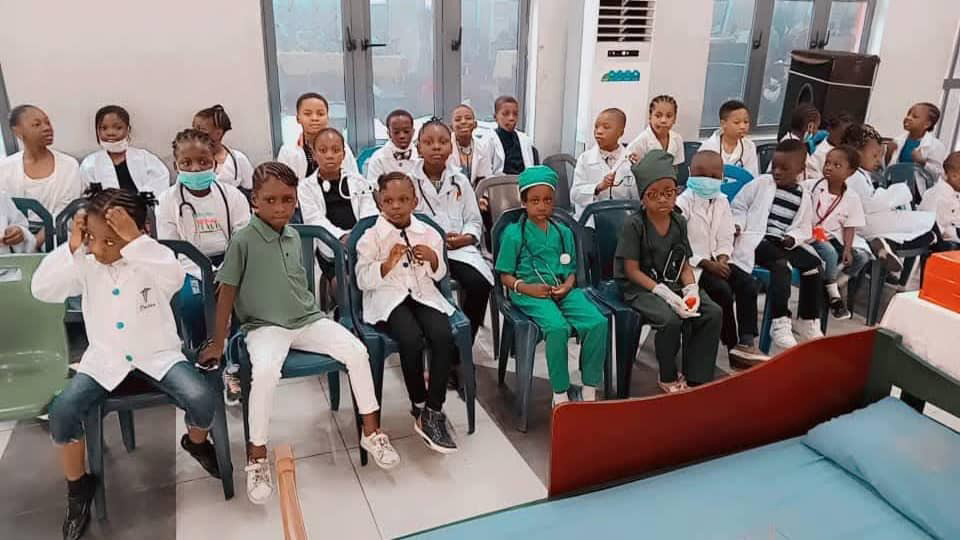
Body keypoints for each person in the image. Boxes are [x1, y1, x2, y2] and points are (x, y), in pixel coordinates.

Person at [200, 162, 399, 504]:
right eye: (270, 200)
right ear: (254, 200)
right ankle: (257, 457)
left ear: (295, 200)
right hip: (265, 326)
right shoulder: (243, 240)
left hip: (307, 320)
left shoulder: (292, 234)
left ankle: (372, 432)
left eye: (287, 200)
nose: (280, 207)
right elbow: (227, 292)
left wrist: (314, 316)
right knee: (265, 374)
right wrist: (218, 341)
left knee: (357, 352)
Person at [32, 187, 220, 540]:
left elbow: (174, 276)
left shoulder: (150, 259)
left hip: (157, 354)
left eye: (112, 241)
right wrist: (73, 247)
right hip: (105, 360)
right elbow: (42, 290)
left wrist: (136, 243)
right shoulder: (86, 264)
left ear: (138, 233)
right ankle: (78, 487)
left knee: (201, 398)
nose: (101, 249)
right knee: (62, 413)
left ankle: (195, 442)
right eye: (95, 239)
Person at [355, 171, 459, 453]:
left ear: (415, 201)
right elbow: (362, 279)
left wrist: (434, 258)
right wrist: (386, 264)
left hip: (423, 293)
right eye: (388, 201)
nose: (396, 206)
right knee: (410, 338)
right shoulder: (371, 237)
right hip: (389, 297)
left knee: (442, 335)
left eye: (403, 199)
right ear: (379, 203)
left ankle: (433, 410)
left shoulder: (428, 233)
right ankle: (419, 402)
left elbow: (439, 274)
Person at [495, 166, 608, 405]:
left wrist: (567, 286)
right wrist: (527, 288)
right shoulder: (514, 234)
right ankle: (560, 392)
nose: (542, 206)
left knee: (598, 322)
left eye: (547, 200)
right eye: (534, 201)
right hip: (527, 292)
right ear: (524, 202)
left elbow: (571, 270)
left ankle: (589, 388)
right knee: (557, 328)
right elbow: (504, 275)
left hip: (561, 289)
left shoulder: (563, 231)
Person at [615, 151, 722, 392]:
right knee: (670, 320)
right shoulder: (634, 225)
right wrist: (663, 293)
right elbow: (631, 271)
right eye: (654, 194)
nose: (662, 200)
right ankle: (667, 375)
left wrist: (691, 289)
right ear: (643, 198)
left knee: (711, 312)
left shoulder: (678, 222)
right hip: (639, 288)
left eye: (669, 193)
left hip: (672, 282)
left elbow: (683, 262)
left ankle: (697, 377)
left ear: (676, 193)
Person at [676, 150, 766, 369]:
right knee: (722, 290)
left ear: (722, 178)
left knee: (748, 284)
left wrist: (724, 258)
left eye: (714, 176)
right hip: (693, 266)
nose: (708, 179)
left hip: (719, 260)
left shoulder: (722, 201)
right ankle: (732, 344)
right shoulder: (682, 203)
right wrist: (707, 264)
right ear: (690, 172)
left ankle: (747, 341)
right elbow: (679, 245)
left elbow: (726, 235)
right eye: (701, 174)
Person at [731, 139, 823, 350]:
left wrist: (793, 237)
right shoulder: (761, 183)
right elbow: (739, 206)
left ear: (800, 170)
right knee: (782, 266)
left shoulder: (803, 196)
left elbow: (804, 227)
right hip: (760, 240)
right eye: (774, 166)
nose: (777, 172)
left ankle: (808, 319)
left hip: (783, 242)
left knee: (814, 265)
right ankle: (780, 321)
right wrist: (738, 224)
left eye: (784, 168)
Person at [409, 119, 493, 341]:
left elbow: (474, 220)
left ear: (451, 146)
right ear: (418, 147)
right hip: (422, 252)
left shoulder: (460, 181)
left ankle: (462, 345)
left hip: (458, 250)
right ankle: (434, 341)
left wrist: (465, 238)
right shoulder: (409, 181)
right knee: (425, 290)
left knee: (480, 284)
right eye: (429, 142)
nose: (436, 147)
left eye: (443, 142)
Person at [841, 123, 937, 272]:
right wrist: (897, 192)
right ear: (856, 153)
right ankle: (888, 244)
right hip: (862, 224)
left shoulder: (859, 174)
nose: (878, 161)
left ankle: (885, 244)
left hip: (864, 222)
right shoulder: (855, 176)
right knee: (923, 225)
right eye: (874, 156)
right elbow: (870, 205)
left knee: (920, 224)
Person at [804, 146, 870, 320]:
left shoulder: (852, 198)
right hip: (809, 234)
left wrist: (847, 249)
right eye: (827, 163)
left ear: (850, 172)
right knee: (830, 253)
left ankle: (834, 285)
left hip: (832, 236)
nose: (829, 167)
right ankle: (834, 296)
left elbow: (850, 226)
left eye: (837, 165)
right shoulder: (810, 187)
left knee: (861, 257)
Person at [0, 105, 82, 244]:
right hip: (16, 242)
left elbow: (66, 211)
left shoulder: (69, 165)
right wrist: (19, 235)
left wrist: (34, 244)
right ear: (17, 131)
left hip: (58, 237)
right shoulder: (5, 168)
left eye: (47, 122)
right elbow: (5, 213)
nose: (47, 128)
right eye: (37, 124)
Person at [298, 127, 376, 246]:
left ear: (343, 154)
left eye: (335, 150)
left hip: (362, 242)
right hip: (328, 245)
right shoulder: (305, 188)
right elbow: (314, 220)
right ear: (314, 155)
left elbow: (369, 214)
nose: (329, 156)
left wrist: (355, 237)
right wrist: (342, 236)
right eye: (323, 150)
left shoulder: (359, 182)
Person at [80, 105, 170, 195]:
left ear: (128, 129)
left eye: (118, 128)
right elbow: (85, 193)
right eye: (104, 128)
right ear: (97, 131)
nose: (110, 133)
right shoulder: (90, 163)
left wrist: (139, 199)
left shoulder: (144, 158)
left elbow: (160, 181)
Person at [571, 108, 637, 219]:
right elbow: (574, 195)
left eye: (606, 127)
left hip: (623, 221)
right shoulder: (585, 159)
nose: (599, 131)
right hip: (590, 222)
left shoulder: (629, 160)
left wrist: (640, 170)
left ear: (620, 132)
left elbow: (637, 198)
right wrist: (598, 187)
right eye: (596, 127)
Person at [277, 92, 360, 179]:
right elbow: (282, 183)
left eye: (320, 114)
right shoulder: (287, 151)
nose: (314, 118)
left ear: (327, 118)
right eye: (307, 114)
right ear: (298, 118)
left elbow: (355, 180)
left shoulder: (340, 147)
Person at [192, 105, 254, 191]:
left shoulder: (238, 159)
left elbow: (252, 190)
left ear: (218, 133)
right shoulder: (190, 159)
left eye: (201, 130)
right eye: (193, 128)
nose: (195, 134)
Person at [474, 96, 535, 179]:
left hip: (524, 182)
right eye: (505, 114)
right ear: (495, 117)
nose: (511, 118)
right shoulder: (488, 140)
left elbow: (531, 168)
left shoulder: (525, 140)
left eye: (515, 114)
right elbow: (485, 173)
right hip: (499, 184)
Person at [700, 100, 759, 176]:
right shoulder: (708, 148)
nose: (743, 126)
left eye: (746, 122)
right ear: (723, 124)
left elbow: (752, 177)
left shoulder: (750, 146)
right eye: (737, 122)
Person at [891, 102, 946, 181]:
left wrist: (923, 162)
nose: (908, 118)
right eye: (908, 114)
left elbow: (938, 175)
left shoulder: (936, 146)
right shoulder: (897, 141)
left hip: (917, 187)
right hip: (895, 183)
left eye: (914, 116)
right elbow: (887, 168)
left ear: (927, 124)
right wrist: (888, 153)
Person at [627, 95, 685, 166]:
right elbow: (629, 168)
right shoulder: (639, 143)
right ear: (650, 116)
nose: (663, 120)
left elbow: (676, 167)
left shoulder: (677, 139)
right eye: (658, 116)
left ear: (675, 119)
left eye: (669, 116)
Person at [365, 109, 420, 184]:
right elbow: (374, 187)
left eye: (406, 131)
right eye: (396, 132)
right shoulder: (378, 159)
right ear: (389, 133)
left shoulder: (421, 156)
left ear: (413, 132)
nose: (402, 136)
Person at [919, 151, 960, 251]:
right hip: (942, 243)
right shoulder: (939, 196)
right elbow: (938, 229)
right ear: (954, 176)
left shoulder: (954, 192)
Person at [781, 103, 825, 177]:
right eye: (816, 127)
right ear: (810, 126)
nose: (816, 132)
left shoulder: (788, 140)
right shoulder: (794, 147)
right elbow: (814, 174)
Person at [808, 111, 854, 182]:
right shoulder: (820, 152)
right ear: (830, 129)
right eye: (841, 134)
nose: (844, 138)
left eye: (847, 135)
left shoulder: (847, 152)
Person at [448, 104, 485, 185]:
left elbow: (485, 177)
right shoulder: (446, 146)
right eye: (458, 119)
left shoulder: (483, 146)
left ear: (475, 124)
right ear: (451, 126)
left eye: (468, 118)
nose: (463, 122)